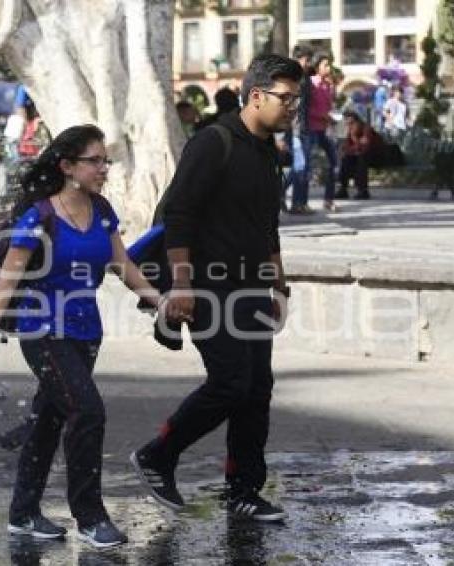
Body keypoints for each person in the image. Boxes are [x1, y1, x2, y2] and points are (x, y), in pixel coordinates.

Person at [0, 125, 166, 548]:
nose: (103, 169)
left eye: (105, 161)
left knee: (48, 419)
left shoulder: (101, 210)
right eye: (94, 161)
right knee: (88, 411)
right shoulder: (39, 217)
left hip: (86, 332)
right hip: (41, 331)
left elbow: (122, 264)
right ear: (67, 166)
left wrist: (158, 299)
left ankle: (23, 513)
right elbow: (7, 283)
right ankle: (90, 517)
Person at [129, 53, 299, 523]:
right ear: (257, 95)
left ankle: (244, 490)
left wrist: (278, 288)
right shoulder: (213, 143)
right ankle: (158, 452)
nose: (293, 108)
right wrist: (180, 286)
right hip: (206, 288)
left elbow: (268, 227)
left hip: (250, 291)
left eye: (297, 100)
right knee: (230, 383)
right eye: (285, 98)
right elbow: (179, 217)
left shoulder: (268, 154)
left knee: (257, 389)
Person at [303, 52, 339, 212]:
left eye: (329, 64)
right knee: (303, 165)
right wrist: (323, 116)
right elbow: (307, 109)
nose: (329, 68)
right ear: (317, 67)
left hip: (324, 130)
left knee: (334, 162)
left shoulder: (327, 85)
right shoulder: (310, 84)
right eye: (325, 65)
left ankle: (329, 199)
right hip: (311, 129)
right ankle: (284, 193)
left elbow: (329, 106)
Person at [289, 44, 314, 215]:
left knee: (304, 168)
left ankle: (302, 202)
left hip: (307, 127)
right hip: (296, 128)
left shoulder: (306, 79)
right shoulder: (291, 78)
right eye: (306, 59)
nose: (307, 63)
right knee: (300, 166)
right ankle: (296, 203)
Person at [336, 110, 379, 200]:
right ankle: (343, 189)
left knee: (361, 161)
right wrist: (350, 150)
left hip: (375, 155)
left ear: (356, 120)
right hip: (358, 154)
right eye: (347, 122)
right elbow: (347, 146)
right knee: (346, 160)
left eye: (351, 122)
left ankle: (363, 191)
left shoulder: (366, 128)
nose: (348, 124)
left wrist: (354, 138)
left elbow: (365, 146)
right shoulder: (351, 130)